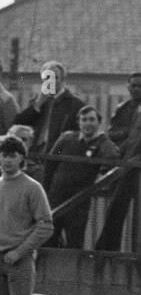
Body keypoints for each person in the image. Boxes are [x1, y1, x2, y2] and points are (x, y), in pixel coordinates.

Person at [0, 136, 54, 295]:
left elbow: (46, 225)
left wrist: (20, 251)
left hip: (19, 261)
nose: (7, 160)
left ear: (21, 158)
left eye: (12, 155)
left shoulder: (32, 188)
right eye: (3, 155)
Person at [96, 73, 141, 252]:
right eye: (133, 86)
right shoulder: (123, 107)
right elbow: (112, 134)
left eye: (140, 86)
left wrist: (123, 159)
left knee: (133, 212)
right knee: (117, 209)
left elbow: (140, 135)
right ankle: (108, 249)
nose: (136, 89)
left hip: (137, 166)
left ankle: (108, 249)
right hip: (125, 165)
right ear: (128, 87)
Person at [43, 106, 119, 249]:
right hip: (55, 199)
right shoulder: (66, 138)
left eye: (92, 119)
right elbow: (50, 162)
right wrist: (45, 191)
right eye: (84, 119)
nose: (87, 123)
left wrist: (102, 138)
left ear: (99, 123)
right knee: (48, 241)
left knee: (75, 243)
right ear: (78, 122)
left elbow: (112, 158)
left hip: (78, 204)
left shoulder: (101, 143)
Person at [13, 61, 85, 186]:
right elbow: (18, 123)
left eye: (55, 77)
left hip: (58, 160)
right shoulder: (38, 102)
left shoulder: (75, 105)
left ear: (63, 80)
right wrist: (38, 104)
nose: (51, 81)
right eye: (47, 77)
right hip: (35, 158)